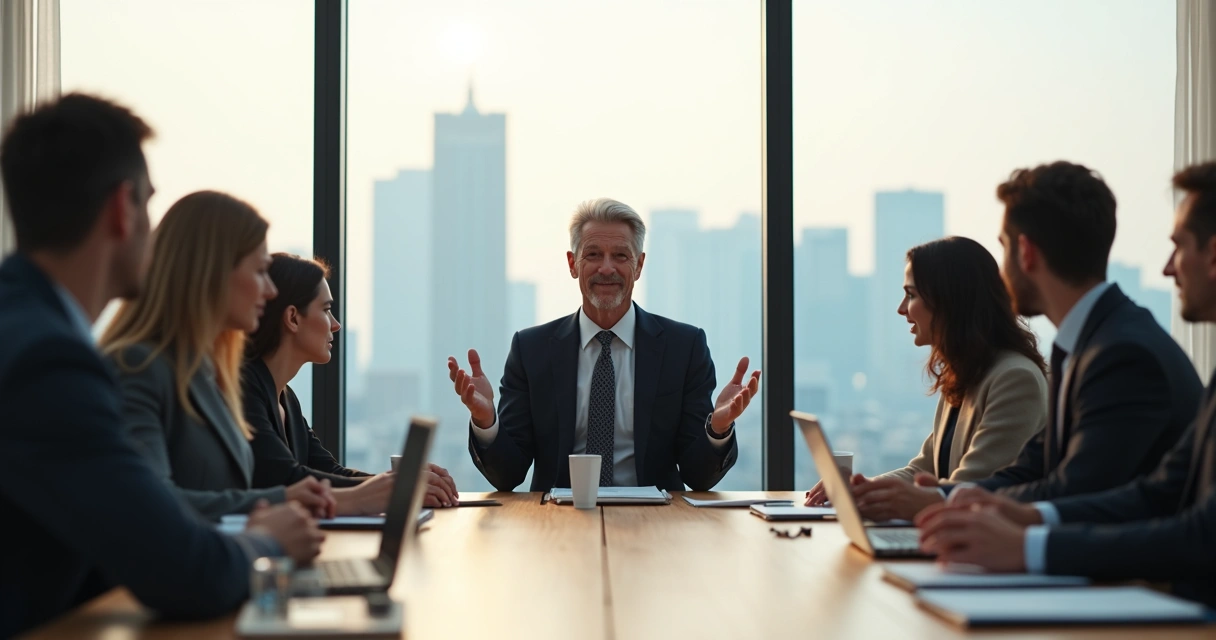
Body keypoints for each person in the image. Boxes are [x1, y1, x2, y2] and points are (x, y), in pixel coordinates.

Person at [0, 94, 322, 638]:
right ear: (123, 210)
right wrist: (268, 542)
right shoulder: (48, 363)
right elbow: (180, 567)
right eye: (149, 204)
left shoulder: (25, 327)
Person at [917, 161, 1216, 607]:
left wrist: (1024, 543)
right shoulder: (1083, 345)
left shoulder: (1122, 353)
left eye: (1179, 246)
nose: (1168, 268)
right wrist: (980, 504)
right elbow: (1155, 490)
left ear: (1027, 252)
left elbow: (1093, 491)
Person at [447, 198, 761, 492]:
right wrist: (486, 421)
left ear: (638, 265)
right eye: (593, 254)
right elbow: (508, 475)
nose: (607, 268)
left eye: (620, 256)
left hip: (658, 524)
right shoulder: (531, 350)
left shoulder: (685, 347)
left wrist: (718, 428)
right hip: (557, 523)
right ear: (573, 264)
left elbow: (698, 477)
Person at [101, 191, 337, 522]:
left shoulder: (206, 375)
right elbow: (149, 504)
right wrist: (282, 502)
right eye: (259, 272)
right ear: (212, 273)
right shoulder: (138, 368)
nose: (269, 291)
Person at [806, 236, 1049, 522]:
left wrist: (870, 497)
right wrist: (861, 490)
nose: (901, 308)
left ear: (949, 300)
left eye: (911, 295)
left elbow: (969, 489)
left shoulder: (1014, 379)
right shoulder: (965, 373)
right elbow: (924, 470)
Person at [243, 252, 460, 508]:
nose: (335, 325)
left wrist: (402, 483)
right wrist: (398, 488)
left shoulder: (286, 397)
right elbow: (288, 480)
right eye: (326, 310)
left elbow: (331, 472)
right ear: (292, 318)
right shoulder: (244, 388)